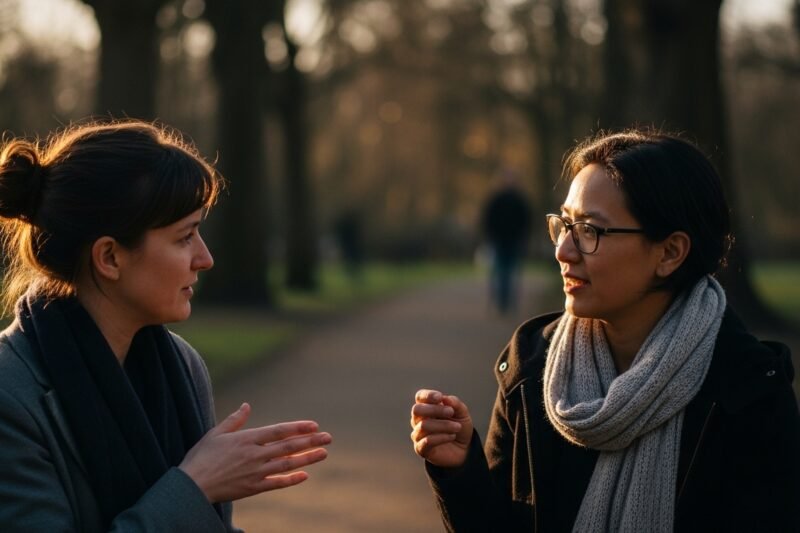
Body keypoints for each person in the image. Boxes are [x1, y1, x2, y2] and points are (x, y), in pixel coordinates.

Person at [410, 129, 800, 532]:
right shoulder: (533, 367)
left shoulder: (748, 391)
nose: (563, 250)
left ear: (669, 253)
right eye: (564, 224)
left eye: (590, 231)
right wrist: (459, 470)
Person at [0, 120, 332, 531]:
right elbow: (192, 504)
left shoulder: (182, 366)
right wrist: (195, 485)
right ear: (110, 258)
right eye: (184, 237)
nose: (205, 258)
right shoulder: (10, 395)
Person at [480, 169, 532, 314]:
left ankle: (508, 303)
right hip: (499, 241)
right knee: (500, 272)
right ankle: (502, 303)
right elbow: (488, 220)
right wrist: (490, 236)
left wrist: (523, 237)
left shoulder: (519, 200)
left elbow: (526, 221)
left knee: (511, 273)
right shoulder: (497, 199)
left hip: (514, 241)